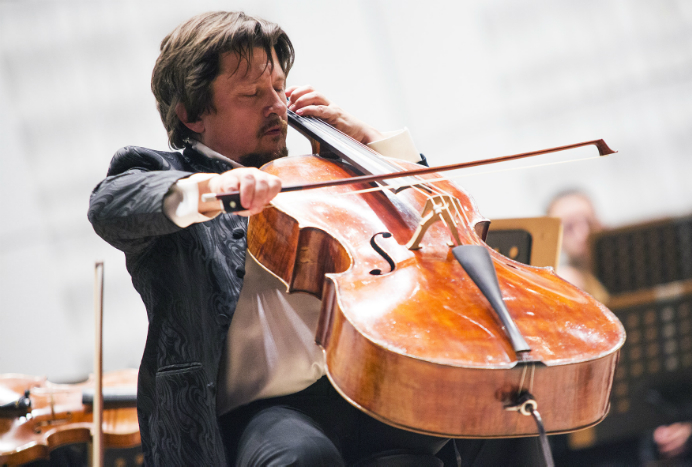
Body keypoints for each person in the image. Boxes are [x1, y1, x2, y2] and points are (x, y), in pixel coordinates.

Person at [88, 11, 451, 467]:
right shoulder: (170, 176)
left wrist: (366, 141)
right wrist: (214, 191)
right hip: (256, 412)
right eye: (251, 94)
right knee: (303, 458)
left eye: (279, 87)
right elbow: (111, 203)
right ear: (192, 114)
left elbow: (435, 218)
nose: (277, 105)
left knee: (501, 411)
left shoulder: (319, 173)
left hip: (363, 389)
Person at [547, 190, 692, 465]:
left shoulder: (639, 279)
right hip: (606, 443)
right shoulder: (564, 284)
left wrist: (687, 424)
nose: (582, 233)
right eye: (569, 228)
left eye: (588, 222)